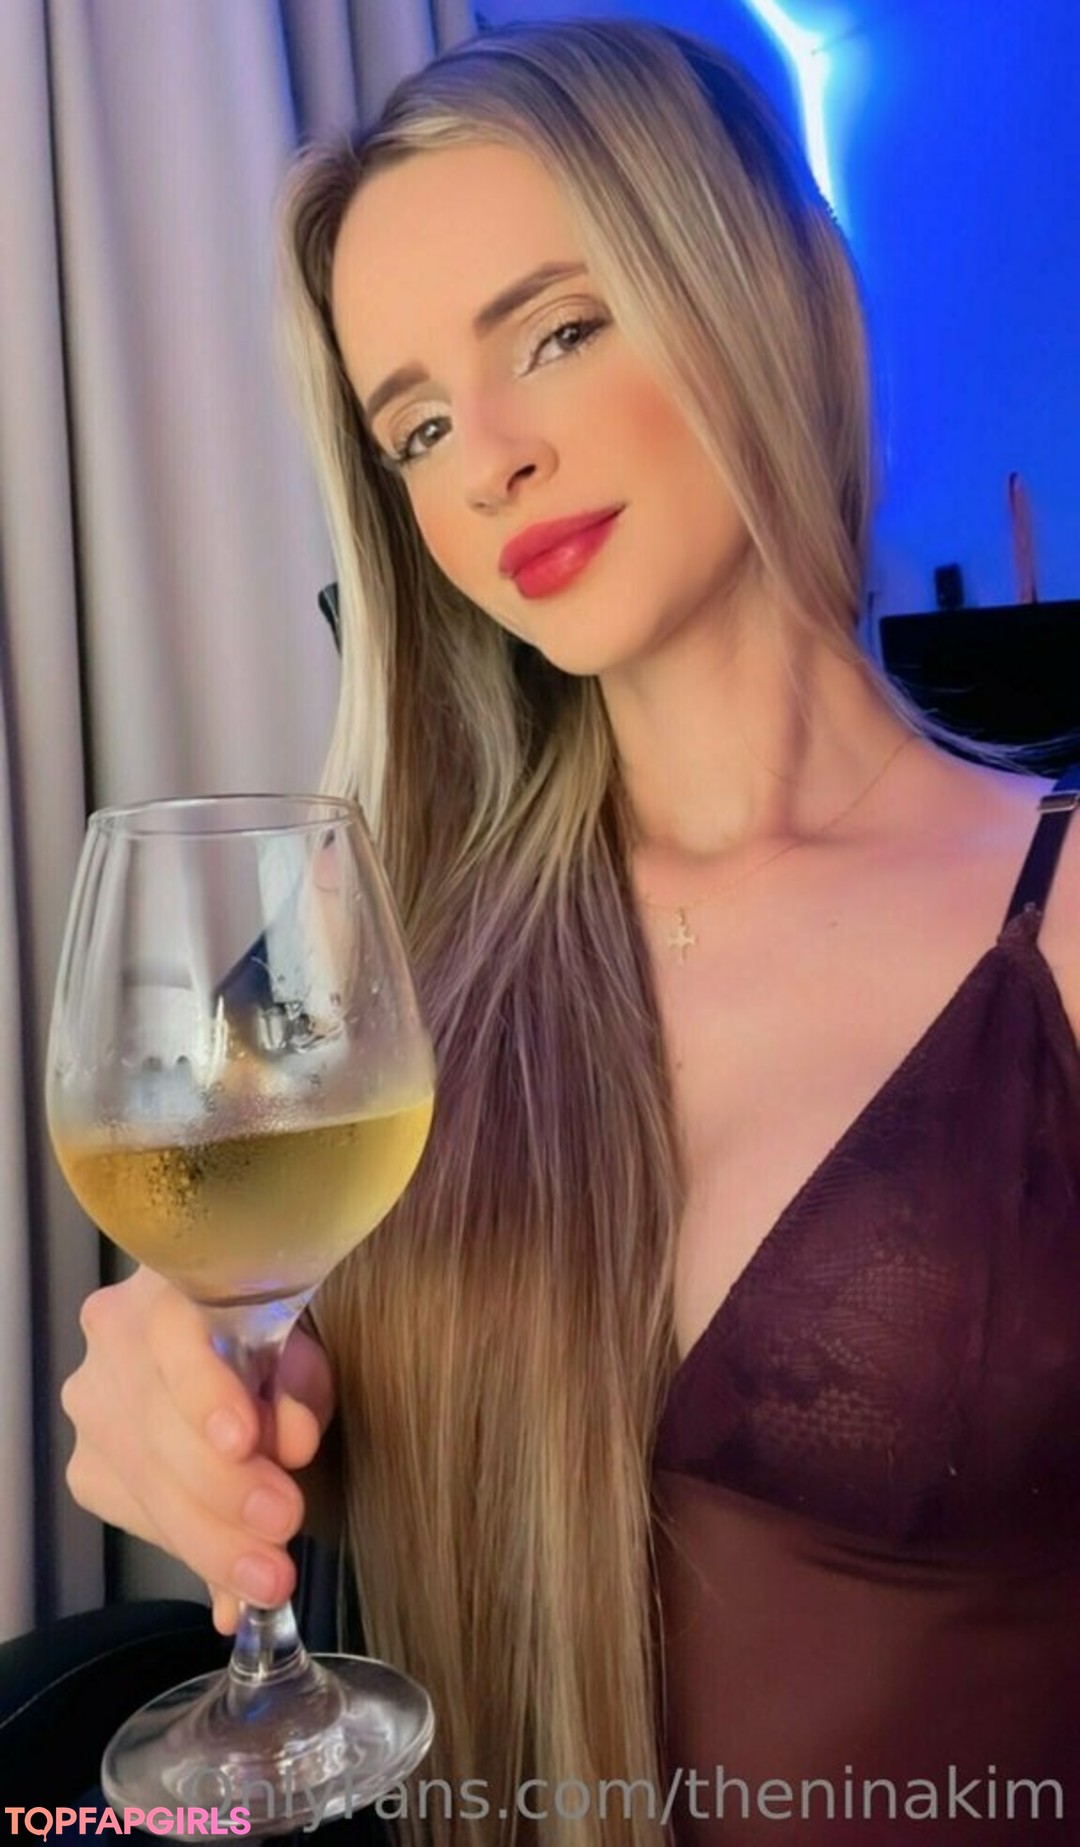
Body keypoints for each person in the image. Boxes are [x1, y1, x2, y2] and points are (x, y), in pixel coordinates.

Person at [60, 17, 1080, 1845]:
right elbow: (198, 1273)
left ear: (768, 287)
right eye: (419, 426)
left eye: (557, 332)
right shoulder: (374, 945)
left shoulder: (1058, 925)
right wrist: (178, 1385)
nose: (489, 465)